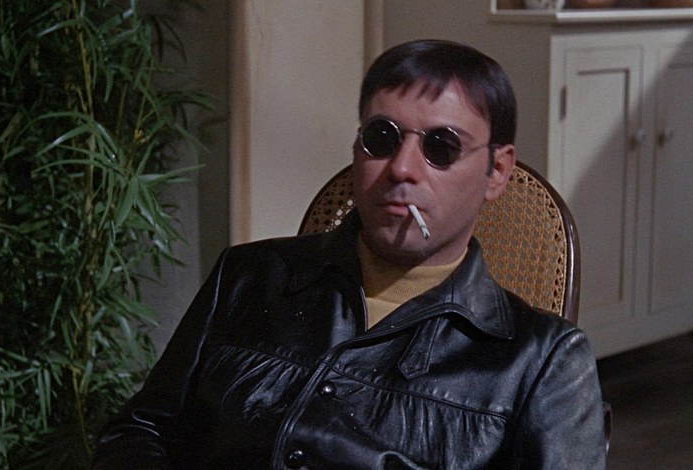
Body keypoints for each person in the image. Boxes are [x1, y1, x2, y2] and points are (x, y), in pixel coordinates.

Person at [93, 39, 607, 469]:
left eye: (441, 146)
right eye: (382, 138)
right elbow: (140, 430)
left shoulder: (542, 360)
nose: (401, 168)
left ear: (496, 171)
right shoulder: (247, 277)